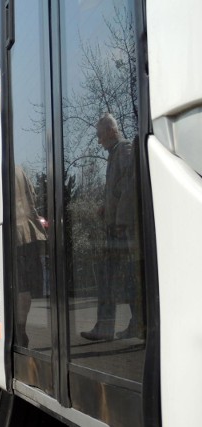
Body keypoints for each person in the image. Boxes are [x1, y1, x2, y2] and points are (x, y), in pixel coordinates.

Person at [81, 113, 143, 341]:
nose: (98, 141)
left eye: (99, 135)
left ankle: (116, 326)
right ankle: (127, 325)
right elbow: (119, 189)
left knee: (118, 278)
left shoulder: (124, 150)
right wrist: (106, 207)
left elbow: (129, 186)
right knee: (121, 278)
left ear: (110, 131)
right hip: (118, 226)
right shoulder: (116, 153)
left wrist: (118, 217)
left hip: (122, 229)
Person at [13, 166, 47, 348]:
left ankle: (17, 330)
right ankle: (21, 328)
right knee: (24, 287)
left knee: (17, 286)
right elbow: (32, 198)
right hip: (27, 233)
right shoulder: (20, 171)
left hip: (12, 233)